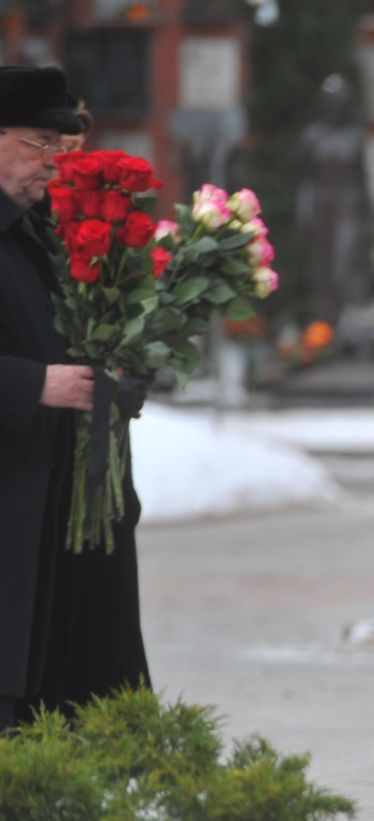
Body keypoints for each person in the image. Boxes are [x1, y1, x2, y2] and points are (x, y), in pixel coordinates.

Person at [0, 66, 149, 731]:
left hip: (62, 522)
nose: (52, 165)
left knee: (77, 692)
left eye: (60, 150)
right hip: (13, 518)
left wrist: (113, 376)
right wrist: (36, 384)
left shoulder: (43, 230)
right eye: (38, 145)